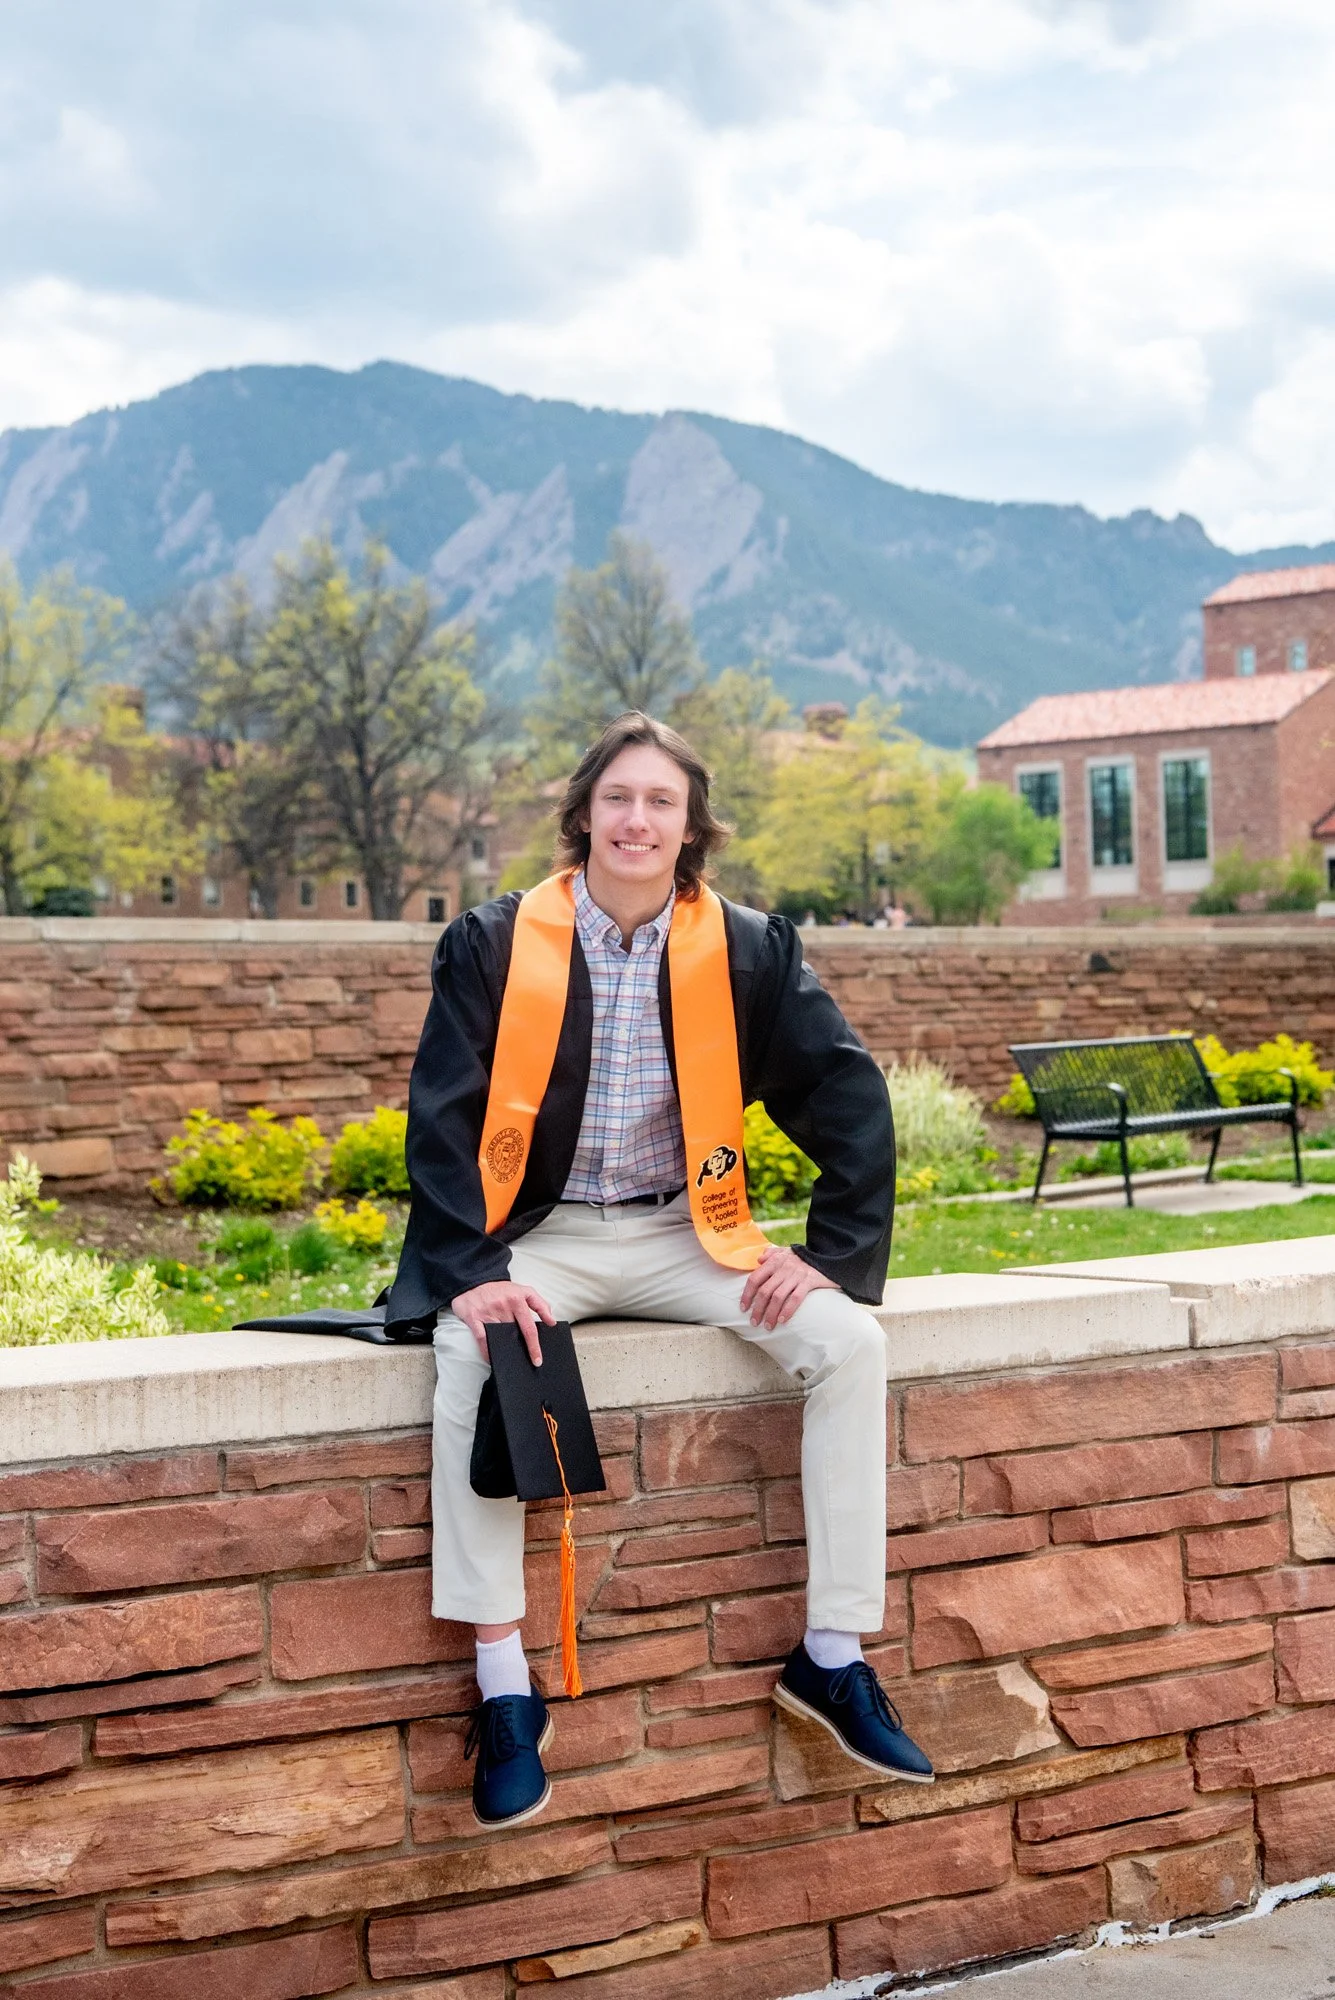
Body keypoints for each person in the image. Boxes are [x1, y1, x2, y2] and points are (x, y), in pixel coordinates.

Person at [386, 711, 933, 1828]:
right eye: (619, 797)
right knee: (471, 1348)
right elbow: (439, 1121)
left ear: (692, 828)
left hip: (694, 1229)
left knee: (848, 1344)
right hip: (547, 1233)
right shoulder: (497, 942)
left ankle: (832, 1652)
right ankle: (504, 1687)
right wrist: (473, 1268)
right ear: (584, 810)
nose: (638, 819)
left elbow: (849, 1095)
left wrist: (829, 1258)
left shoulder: (742, 948)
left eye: (662, 802)